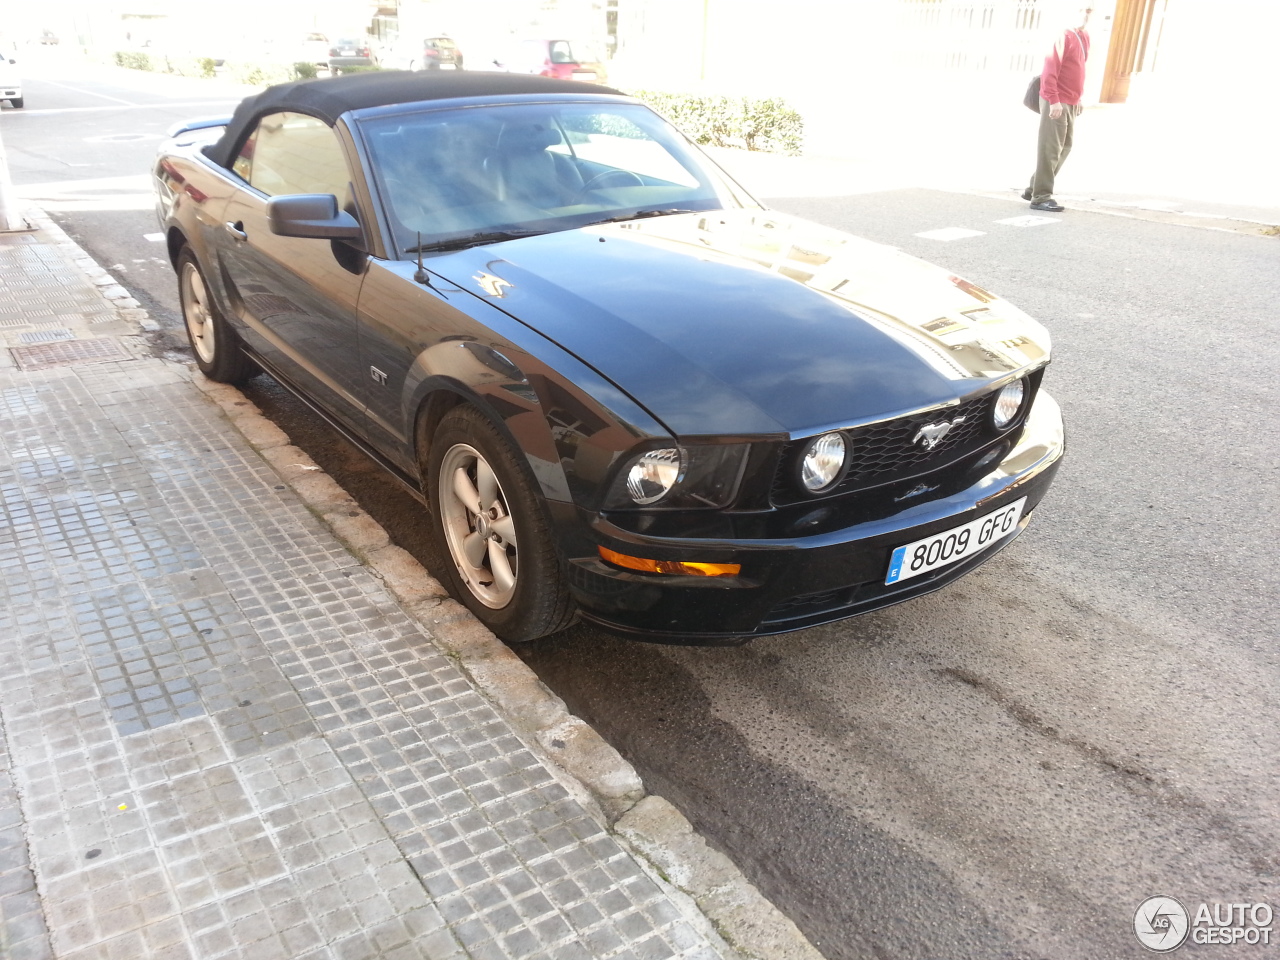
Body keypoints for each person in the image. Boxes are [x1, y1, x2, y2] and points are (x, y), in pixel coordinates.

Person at [1025, 6, 1092, 212]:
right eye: (1081, 9)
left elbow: (1078, 69)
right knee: (1050, 148)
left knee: (1065, 146)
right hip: (1056, 100)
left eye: (1089, 11)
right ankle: (1041, 197)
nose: (1085, 15)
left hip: (1071, 100)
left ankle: (1033, 187)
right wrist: (1054, 100)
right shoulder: (1063, 35)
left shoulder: (1083, 36)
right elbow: (1050, 69)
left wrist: (1078, 97)